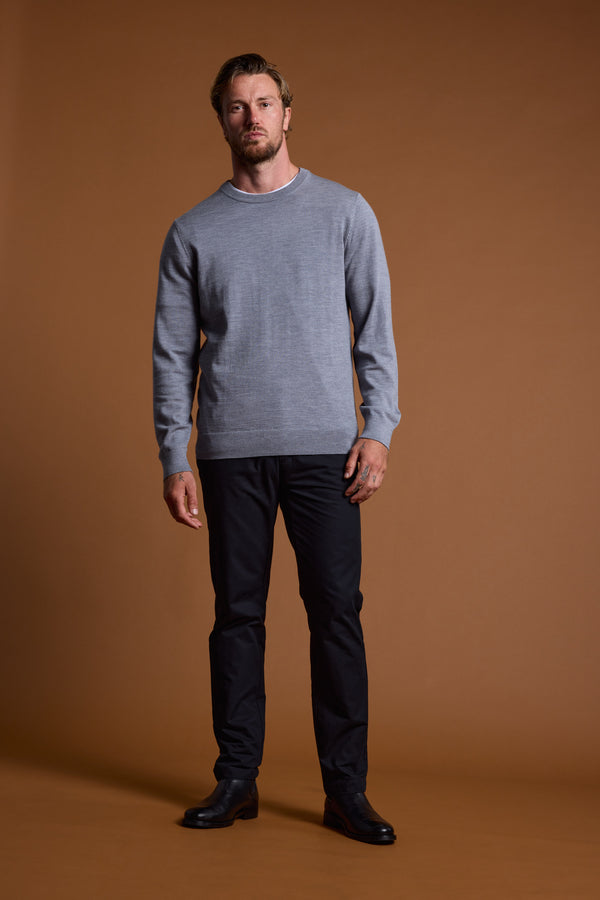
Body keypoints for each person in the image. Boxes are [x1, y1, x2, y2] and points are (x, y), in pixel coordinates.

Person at [153, 53, 401, 845]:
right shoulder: (193, 230)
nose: (252, 117)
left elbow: (377, 334)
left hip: (327, 452)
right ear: (221, 119)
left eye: (264, 103)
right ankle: (237, 779)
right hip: (231, 453)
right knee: (238, 617)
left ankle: (346, 790)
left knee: (336, 615)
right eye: (236, 106)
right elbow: (171, 353)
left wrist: (378, 429)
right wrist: (174, 453)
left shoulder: (344, 212)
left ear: (287, 113)